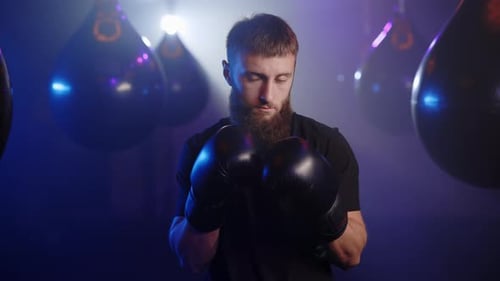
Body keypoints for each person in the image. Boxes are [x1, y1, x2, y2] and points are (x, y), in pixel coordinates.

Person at [169, 13, 367, 281]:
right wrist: (209, 197)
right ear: (228, 73)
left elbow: (350, 256)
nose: (267, 95)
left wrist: (321, 200)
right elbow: (191, 259)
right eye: (254, 77)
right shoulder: (200, 148)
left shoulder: (326, 144)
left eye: (282, 79)